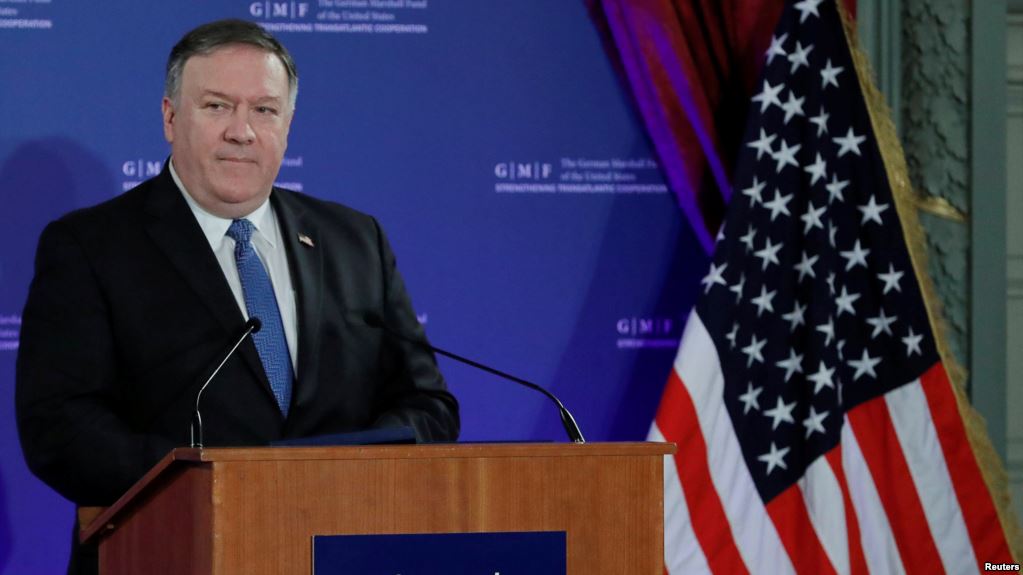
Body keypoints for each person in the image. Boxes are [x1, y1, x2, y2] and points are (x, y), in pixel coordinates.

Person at [15, 19, 459, 575]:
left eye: (264, 110)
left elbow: (428, 405)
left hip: (342, 549)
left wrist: (346, 471)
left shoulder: (354, 240)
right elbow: (60, 427)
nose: (241, 131)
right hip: (170, 552)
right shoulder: (91, 246)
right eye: (217, 106)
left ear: (287, 126)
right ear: (170, 117)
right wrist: (218, 481)